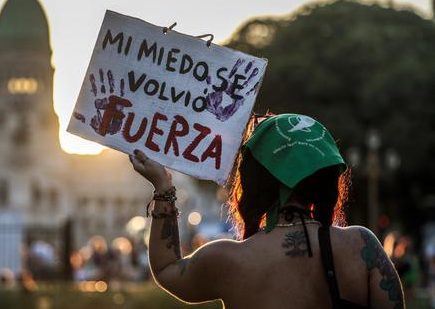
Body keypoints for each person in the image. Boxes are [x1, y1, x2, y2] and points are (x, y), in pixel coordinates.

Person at [129, 113, 405, 309]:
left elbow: (166, 269)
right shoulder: (361, 246)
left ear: (254, 180)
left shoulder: (228, 258)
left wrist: (163, 187)